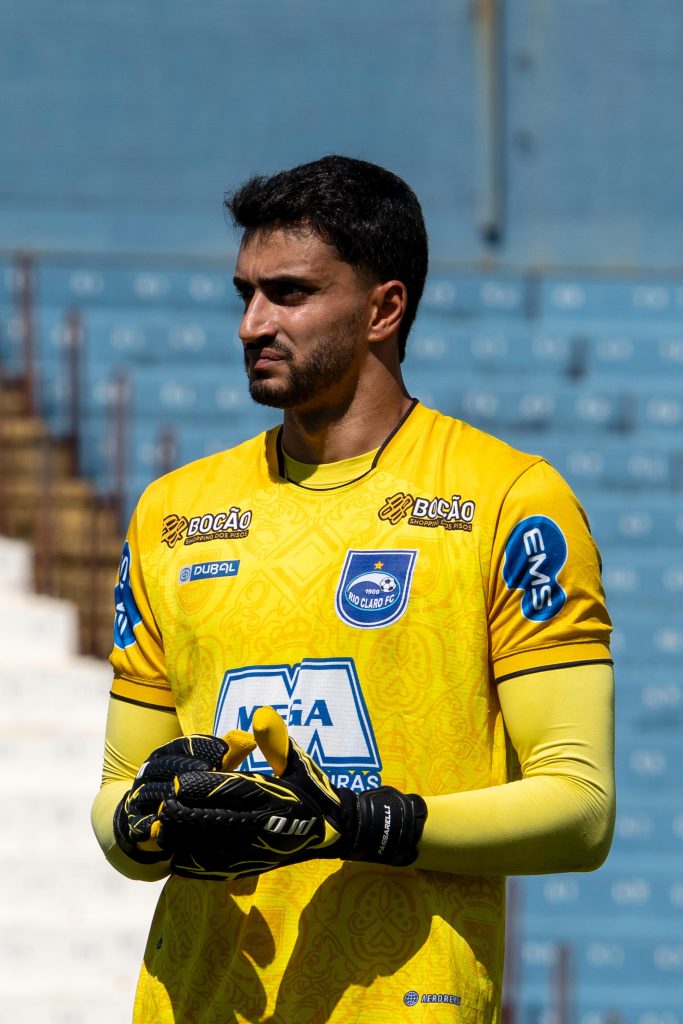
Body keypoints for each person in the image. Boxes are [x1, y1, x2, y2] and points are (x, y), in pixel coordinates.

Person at [92, 155, 615, 1024]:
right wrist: (148, 823)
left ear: (384, 308)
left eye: (289, 293)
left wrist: (364, 824)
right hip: (195, 1002)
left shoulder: (509, 500)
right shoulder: (173, 515)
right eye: (245, 294)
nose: (251, 324)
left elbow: (580, 806)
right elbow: (117, 800)